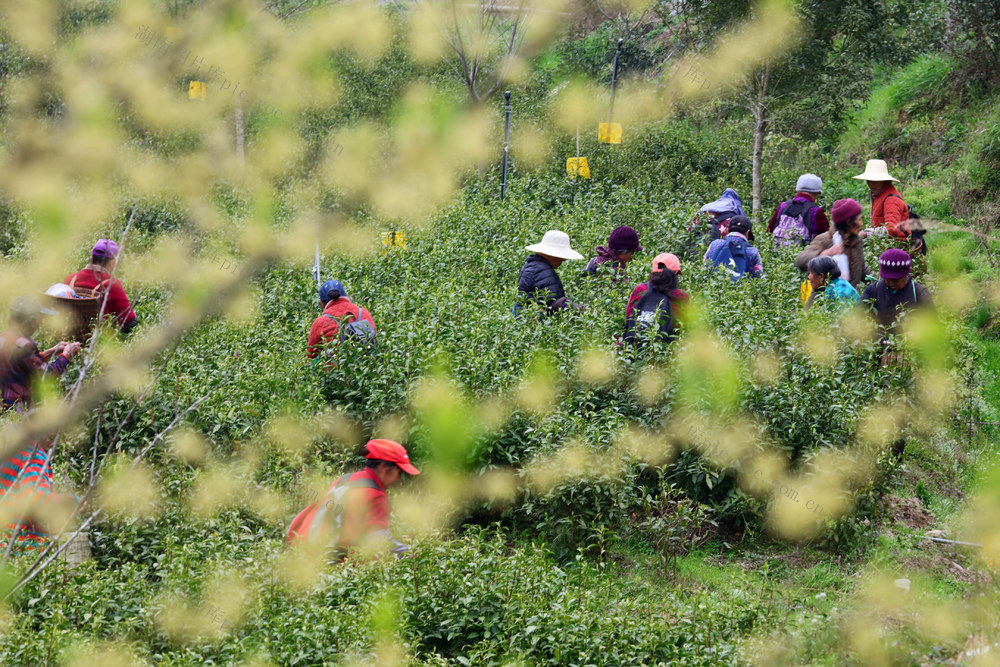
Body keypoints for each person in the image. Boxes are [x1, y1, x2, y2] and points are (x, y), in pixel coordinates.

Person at [286, 439, 419, 561]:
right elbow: (379, 542)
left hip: (302, 554)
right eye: (400, 472)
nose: (400, 479)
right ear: (384, 468)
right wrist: (412, 554)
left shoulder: (345, 480)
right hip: (335, 568)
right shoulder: (375, 494)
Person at [1, 296, 82, 414]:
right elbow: (45, 376)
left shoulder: (3, 337)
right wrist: (66, 355)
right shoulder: (24, 345)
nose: (39, 323)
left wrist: (53, 350)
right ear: (30, 321)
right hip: (17, 408)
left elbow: (20, 363)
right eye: (38, 319)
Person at [0, 440, 82, 553]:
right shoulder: (33, 455)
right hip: (21, 556)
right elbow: (38, 502)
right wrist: (76, 502)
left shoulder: (9, 451)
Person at [64, 239, 138, 335]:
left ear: (91, 259)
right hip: (99, 344)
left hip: (66, 342)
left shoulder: (71, 279)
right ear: (112, 263)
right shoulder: (112, 285)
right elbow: (130, 322)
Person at [795, 198, 869, 292]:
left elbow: (862, 268)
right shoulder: (825, 240)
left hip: (850, 300)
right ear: (848, 222)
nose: (862, 223)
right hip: (825, 302)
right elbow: (800, 261)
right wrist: (826, 253)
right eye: (859, 219)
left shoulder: (857, 241)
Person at [860, 249, 933, 334]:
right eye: (887, 279)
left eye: (895, 280)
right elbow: (857, 316)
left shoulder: (919, 293)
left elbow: (933, 325)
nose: (891, 283)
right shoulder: (873, 291)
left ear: (906, 275)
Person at [307, 279, 376, 361]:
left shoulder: (321, 322)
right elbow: (374, 339)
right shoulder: (364, 313)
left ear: (322, 303)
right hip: (367, 368)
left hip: (336, 371)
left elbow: (310, 356)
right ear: (346, 296)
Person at [516, 230, 583, 314]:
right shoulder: (542, 271)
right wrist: (584, 310)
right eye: (562, 257)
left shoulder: (533, 265)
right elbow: (556, 304)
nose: (564, 259)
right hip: (534, 321)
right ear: (553, 255)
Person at [852, 159, 911, 240]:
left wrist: (866, 233)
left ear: (884, 180)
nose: (871, 184)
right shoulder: (879, 194)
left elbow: (891, 229)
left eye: (875, 180)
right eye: (869, 180)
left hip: (897, 247)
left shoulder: (891, 199)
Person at [767, 173, 830, 247]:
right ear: (816, 193)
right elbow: (828, 237)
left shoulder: (783, 206)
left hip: (777, 255)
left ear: (798, 190)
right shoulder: (816, 212)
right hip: (804, 257)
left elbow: (769, 230)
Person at [626, 253, 690, 322]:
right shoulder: (682, 295)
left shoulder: (640, 289)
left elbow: (628, 318)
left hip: (638, 332)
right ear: (676, 273)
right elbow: (687, 323)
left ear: (653, 271)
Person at [703, 216, 763, 282]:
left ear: (727, 230)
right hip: (740, 290)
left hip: (713, 288)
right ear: (747, 232)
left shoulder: (715, 244)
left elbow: (704, 268)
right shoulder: (753, 252)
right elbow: (759, 279)